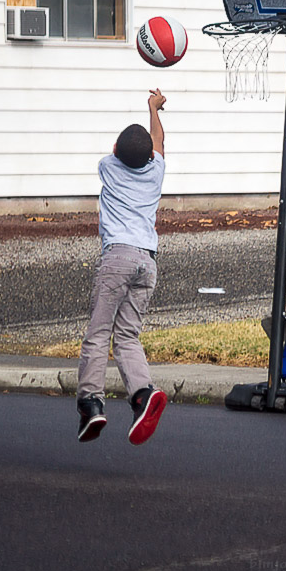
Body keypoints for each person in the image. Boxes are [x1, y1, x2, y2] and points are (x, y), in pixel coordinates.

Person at [76, 88, 168, 445]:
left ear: (115, 151)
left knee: (99, 332)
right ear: (150, 157)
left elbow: (139, 148)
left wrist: (146, 111)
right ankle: (143, 396)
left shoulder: (107, 167)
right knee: (127, 335)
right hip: (147, 262)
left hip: (117, 258)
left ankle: (91, 403)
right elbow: (158, 141)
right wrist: (154, 109)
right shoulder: (156, 171)